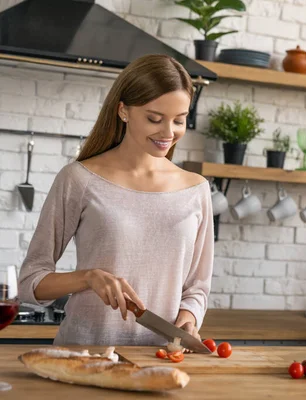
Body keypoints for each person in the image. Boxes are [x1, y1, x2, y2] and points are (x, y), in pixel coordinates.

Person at [17, 54, 214, 347]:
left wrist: (188, 318)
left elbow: (197, 288)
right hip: (83, 353)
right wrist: (89, 278)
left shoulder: (196, 190)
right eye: (154, 118)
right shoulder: (79, 179)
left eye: (179, 120)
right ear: (123, 111)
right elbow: (30, 283)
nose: (168, 133)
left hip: (159, 361)